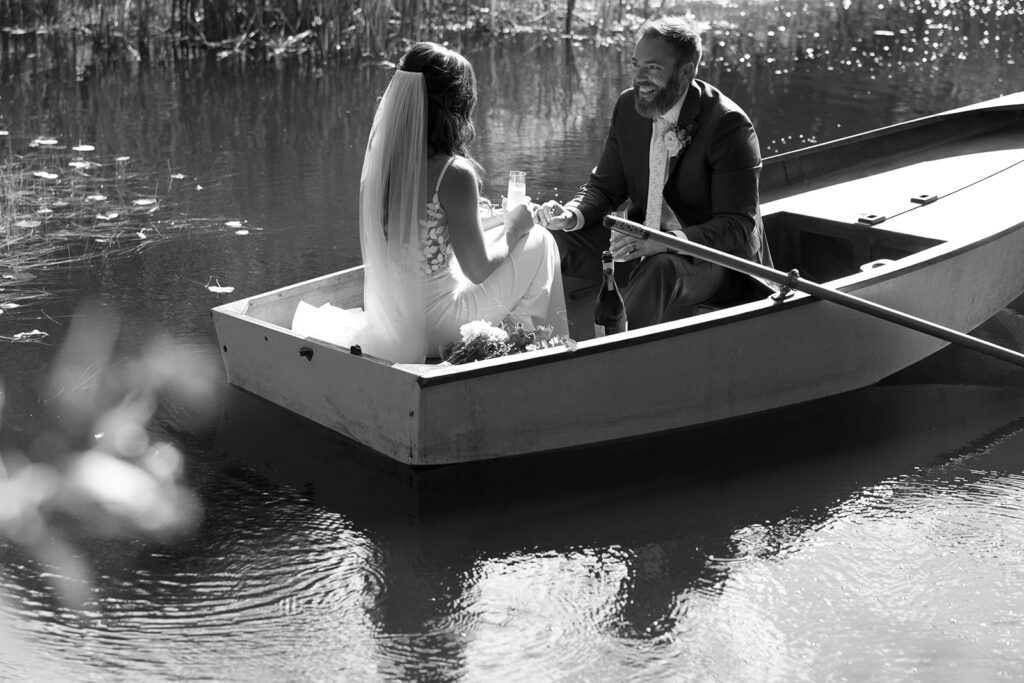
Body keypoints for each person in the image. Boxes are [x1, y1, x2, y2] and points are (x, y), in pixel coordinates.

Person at [296, 42, 567, 364]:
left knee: (506, 237)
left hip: (391, 324)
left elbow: (427, 235)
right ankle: (523, 346)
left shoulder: (380, 166)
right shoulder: (453, 173)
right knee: (538, 240)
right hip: (437, 327)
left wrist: (499, 222)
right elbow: (478, 269)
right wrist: (515, 226)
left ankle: (511, 341)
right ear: (455, 105)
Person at [537, 16, 772, 329]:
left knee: (661, 266)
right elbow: (605, 186)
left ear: (686, 71)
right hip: (641, 241)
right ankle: (531, 343)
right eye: (635, 64)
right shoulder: (627, 107)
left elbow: (736, 226)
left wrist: (664, 241)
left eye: (653, 68)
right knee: (552, 238)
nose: (639, 77)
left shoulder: (728, 126)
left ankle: (611, 360)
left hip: (716, 262)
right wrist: (570, 214)